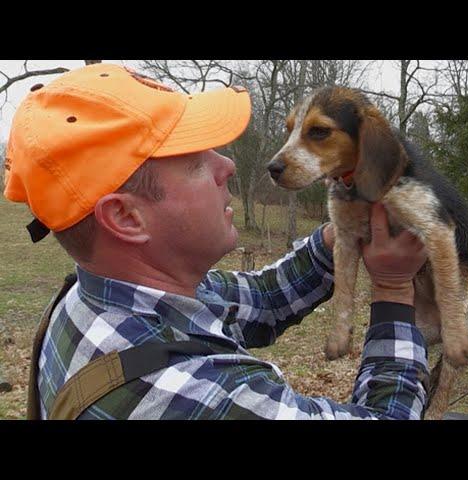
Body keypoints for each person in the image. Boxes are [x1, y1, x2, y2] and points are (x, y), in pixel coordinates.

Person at [3, 63, 429, 420]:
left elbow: (262, 299)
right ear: (126, 217)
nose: (226, 165)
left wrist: (337, 237)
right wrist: (393, 288)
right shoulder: (191, 395)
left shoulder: (100, 298)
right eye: (193, 162)